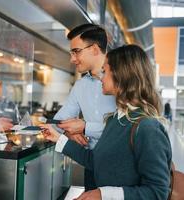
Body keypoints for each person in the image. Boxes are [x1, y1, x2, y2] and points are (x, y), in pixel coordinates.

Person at [42, 45, 172, 199]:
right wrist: (59, 138)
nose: (101, 77)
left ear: (120, 74)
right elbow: (96, 161)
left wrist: (103, 194)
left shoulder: (147, 128)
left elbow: (157, 192)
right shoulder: (114, 119)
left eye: (105, 71)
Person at [53, 24, 116, 190]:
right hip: (91, 163)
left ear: (94, 49)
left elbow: (125, 128)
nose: (72, 59)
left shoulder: (122, 79)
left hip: (120, 165)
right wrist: (69, 131)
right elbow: (59, 119)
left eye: (76, 51)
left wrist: (85, 127)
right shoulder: (80, 86)